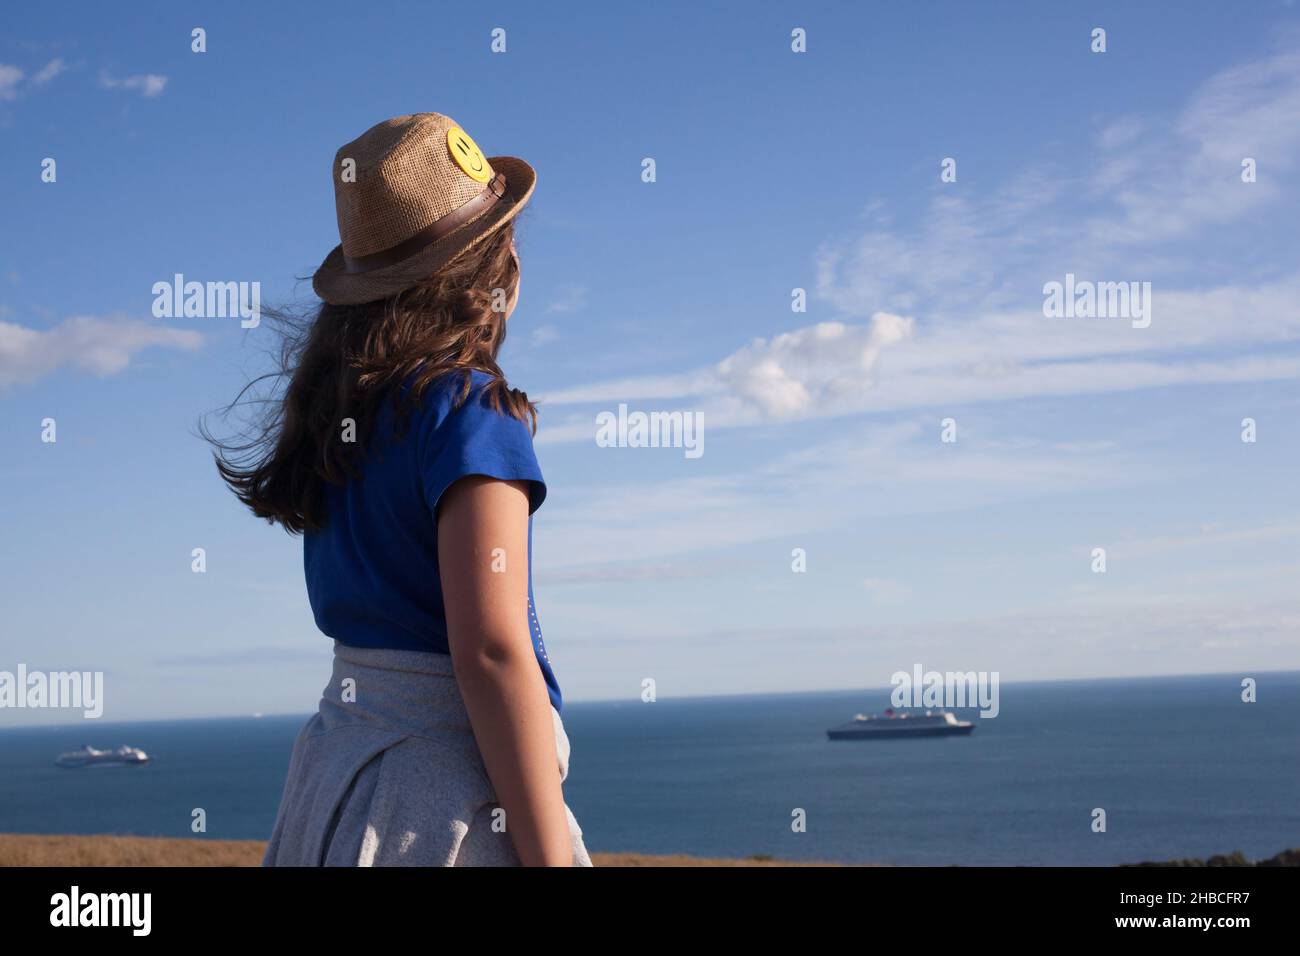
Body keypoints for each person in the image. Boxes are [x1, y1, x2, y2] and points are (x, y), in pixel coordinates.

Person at [206, 112, 590, 866]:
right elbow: (487, 649)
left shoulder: (340, 418)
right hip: (440, 803)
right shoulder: (474, 413)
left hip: (334, 780)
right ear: (498, 255)